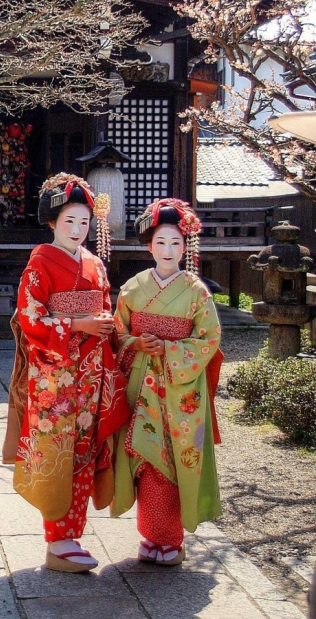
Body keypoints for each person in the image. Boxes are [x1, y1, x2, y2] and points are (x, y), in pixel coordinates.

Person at [3, 172, 129, 573]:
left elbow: (106, 309)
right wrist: (78, 326)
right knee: (58, 452)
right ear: (52, 222)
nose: (77, 229)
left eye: (84, 222)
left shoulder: (94, 264)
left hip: (92, 373)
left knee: (85, 451)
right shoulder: (40, 262)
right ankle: (57, 539)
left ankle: (71, 535)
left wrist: (109, 327)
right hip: (56, 377)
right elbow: (30, 318)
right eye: (69, 221)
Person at [111, 198, 223, 566]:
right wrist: (136, 343)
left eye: (175, 242)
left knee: (173, 460)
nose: (168, 250)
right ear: (149, 246)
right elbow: (117, 332)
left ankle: (170, 539)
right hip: (141, 380)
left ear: (185, 246)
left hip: (179, 390)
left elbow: (208, 338)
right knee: (142, 456)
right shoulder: (132, 287)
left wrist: (171, 348)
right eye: (160, 242)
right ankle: (150, 535)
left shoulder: (196, 291)